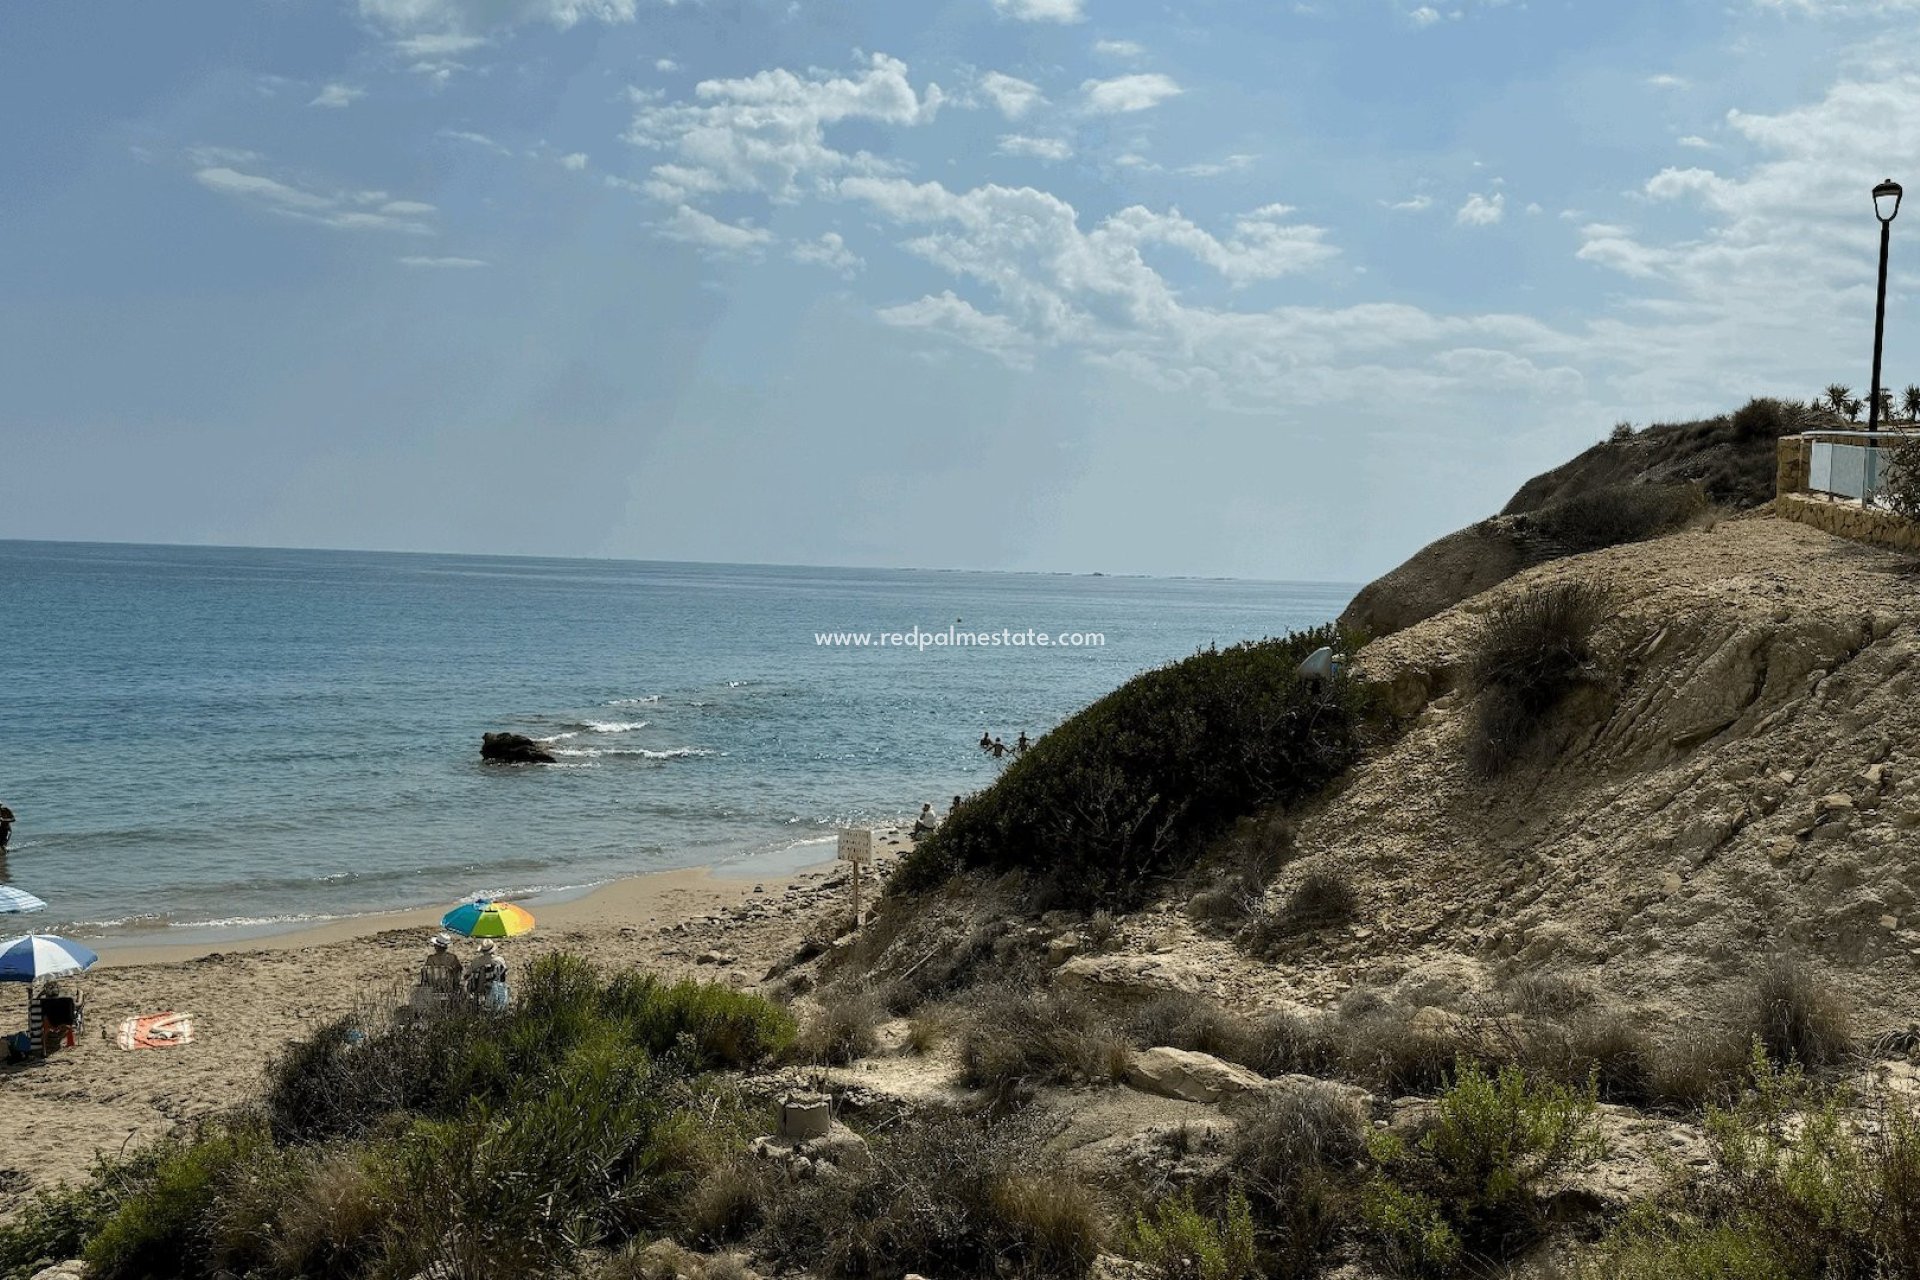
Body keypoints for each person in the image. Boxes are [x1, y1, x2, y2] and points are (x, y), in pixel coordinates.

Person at [465, 940, 509, 1011]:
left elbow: (467, 975)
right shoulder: (499, 960)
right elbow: (504, 972)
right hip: (495, 989)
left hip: (478, 990)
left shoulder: (476, 961)